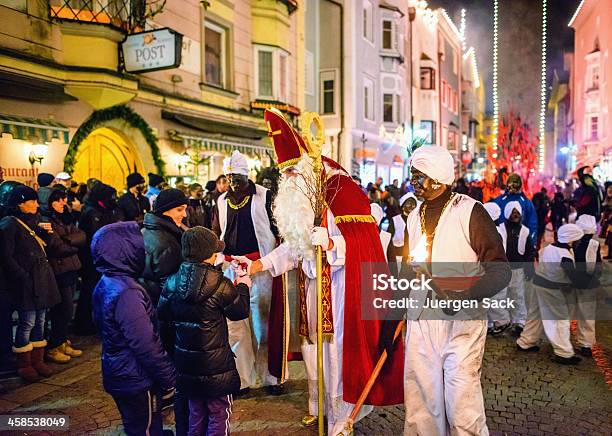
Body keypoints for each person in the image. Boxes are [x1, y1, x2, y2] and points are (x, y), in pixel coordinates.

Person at [235, 109, 404, 434]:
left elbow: (364, 242)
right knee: (314, 347)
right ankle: (320, 406)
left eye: (293, 177)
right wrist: (256, 266)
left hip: (342, 290)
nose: (288, 184)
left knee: (337, 351)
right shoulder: (302, 202)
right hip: (314, 289)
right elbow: (293, 249)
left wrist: (331, 243)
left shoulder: (341, 191)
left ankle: (344, 414)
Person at [379, 145, 511, 435]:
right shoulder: (414, 217)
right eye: (411, 176)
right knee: (421, 406)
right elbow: (408, 273)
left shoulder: (470, 212)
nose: (412, 183)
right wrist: (390, 321)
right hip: (421, 321)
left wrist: (462, 297)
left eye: (418, 177)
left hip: (461, 324)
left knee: (462, 406)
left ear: (438, 178)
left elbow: (500, 270)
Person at [158, 227, 251, 435]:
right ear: (211, 255)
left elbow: (162, 316)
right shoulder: (220, 284)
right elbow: (240, 312)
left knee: (195, 412)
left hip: (186, 365)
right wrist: (243, 285)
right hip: (216, 366)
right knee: (219, 413)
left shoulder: (172, 282)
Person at [92, 222, 176, 436]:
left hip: (120, 369)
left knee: (139, 422)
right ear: (124, 252)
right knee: (143, 426)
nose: (142, 251)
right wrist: (168, 377)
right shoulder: (127, 292)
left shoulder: (108, 280)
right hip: (135, 376)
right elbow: (145, 343)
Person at [212, 151, 282, 394]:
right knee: (237, 325)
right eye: (229, 177)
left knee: (264, 324)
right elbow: (217, 232)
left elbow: (277, 230)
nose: (233, 182)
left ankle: (270, 377)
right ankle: (242, 379)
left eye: (237, 177)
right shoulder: (221, 201)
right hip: (232, 269)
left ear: (246, 176)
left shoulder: (264, 196)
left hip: (260, 268)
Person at [0, 185, 60, 382]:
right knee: (27, 322)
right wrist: (22, 275)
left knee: (41, 321)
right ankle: (24, 363)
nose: (36, 204)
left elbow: (46, 248)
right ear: (19, 204)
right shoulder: (9, 224)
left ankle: (37, 360)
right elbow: (6, 257)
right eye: (31, 201)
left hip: (41, 279)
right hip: (26, 282)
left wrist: (48, 234)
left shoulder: (33, 221)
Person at [516, 224, 585, 365]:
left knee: (535, 315)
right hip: (551, 289)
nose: (579, 242)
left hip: (538, 283)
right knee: (560, 319)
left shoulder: (549, 248)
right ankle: (563, 353)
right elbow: (574, 278)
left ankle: (525, 342)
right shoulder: (565, 256)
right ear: (571, 239)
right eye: (578, 239)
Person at [75, 182, 123, 334]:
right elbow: (96, 237)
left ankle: (95, 322)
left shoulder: (105, 211)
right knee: (89, 292)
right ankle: (83, 324)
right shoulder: (91, 213)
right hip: (91, 260)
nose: (114, 200)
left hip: (103, 259)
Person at [44, 189, 86, 363]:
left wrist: (68, 240)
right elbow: (56, 246)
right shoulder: (46, 220)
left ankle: (61, 341)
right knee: (63, 309)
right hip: (59, 270)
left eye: (64, 199)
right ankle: (54, 345)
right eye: (59, 200)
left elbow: (82, 236)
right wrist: (72, 242)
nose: (63, 203)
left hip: (71, 268)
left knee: (68, 310)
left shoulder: (65, 218)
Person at [488, 201, 535, 337]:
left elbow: (529, 252)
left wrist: (529, 268)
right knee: (498, 296)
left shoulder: (525, 231)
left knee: (517, 296)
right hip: (503, 269)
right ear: (507, 213)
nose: (516, 215)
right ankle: (497, 322)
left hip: (518, 270)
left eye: (518, 213)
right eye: (513, 213)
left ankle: (519, 322)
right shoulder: (500, 228)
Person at [142, 188, 188, 304]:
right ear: (164, 210)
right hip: (161, 306)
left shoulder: (146, 230)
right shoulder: (166, 242)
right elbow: (168, 287)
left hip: (149, 300)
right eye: (179, 210)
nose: (185, 214)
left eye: (185, 210)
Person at [573, 214, 602, 357]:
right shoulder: (594, 244)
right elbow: (598, 266)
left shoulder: (573, 242)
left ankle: (583, 343)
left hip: (577, 283)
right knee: (587, 314)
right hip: (586, 283)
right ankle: (586, 344)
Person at [493, 173, 538, 245]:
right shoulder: (526, 203)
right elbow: (532, 225)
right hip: (518, 243)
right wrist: (532, 244)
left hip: (503, 243)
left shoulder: (499, 201)